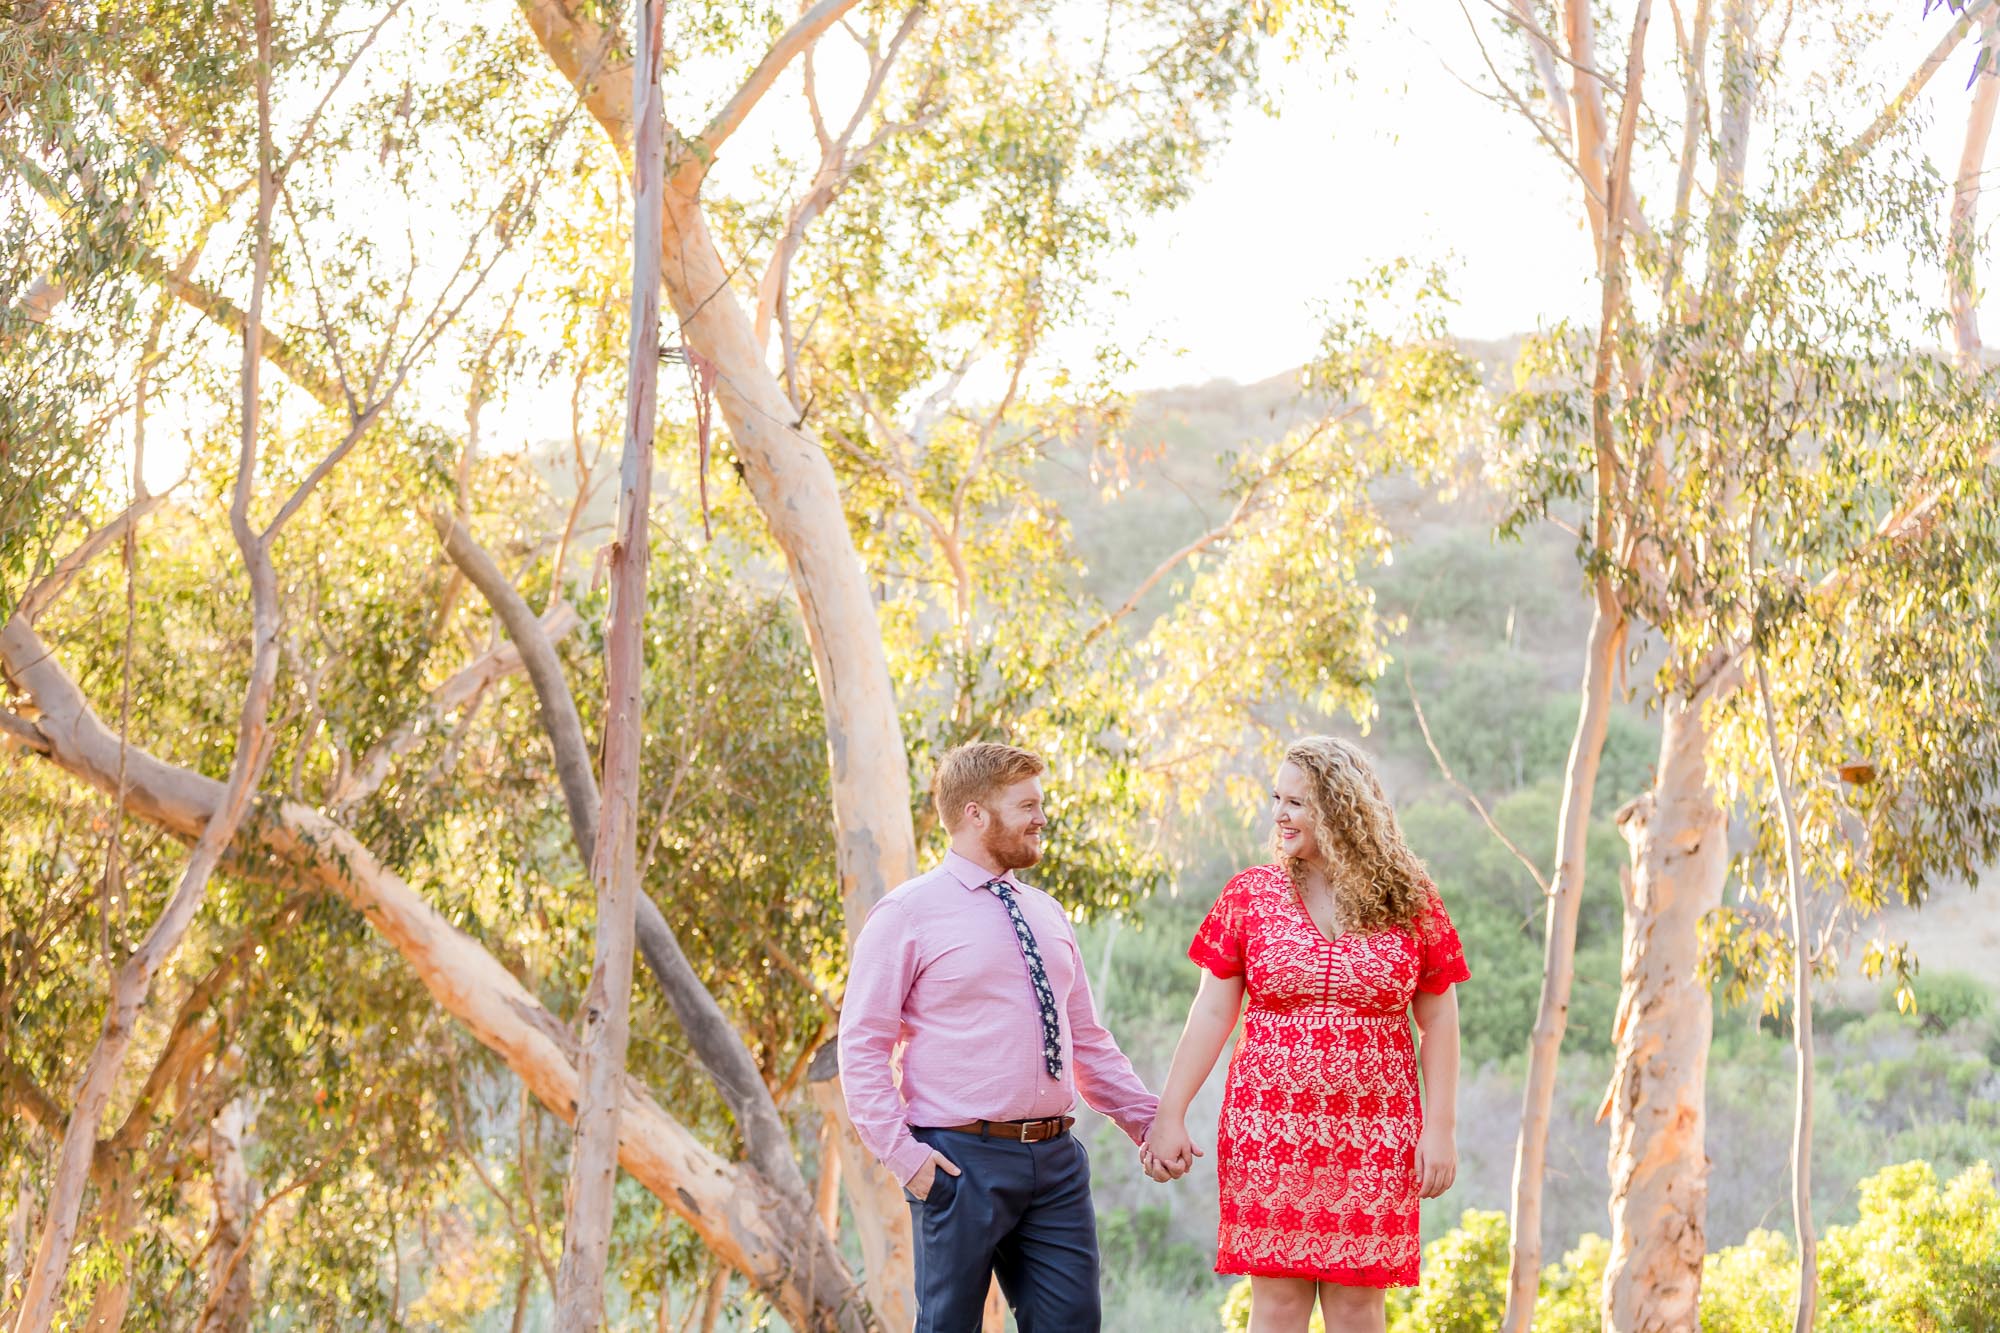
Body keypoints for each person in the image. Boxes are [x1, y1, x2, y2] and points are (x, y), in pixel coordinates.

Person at [1142, 736, 1468, 1333]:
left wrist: (1440, 1128)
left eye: (1297, 802)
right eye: (1277, 799)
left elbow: (1440, 1017)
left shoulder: (1409, 898)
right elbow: (1212, 1013)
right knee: (1279, 1305)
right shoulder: (1250, 895)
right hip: (1271, 1130)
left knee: (1357, 1306)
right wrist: (1170, 1112)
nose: (1279, 815)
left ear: (1341, 810)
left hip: (1376, 1137)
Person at [839, 742, 1158, 1332]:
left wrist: (1148, 1120)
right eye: (1027, 805)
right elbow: (860, 1047)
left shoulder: (1047, 912)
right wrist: (907, 1159)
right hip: (959, 1165)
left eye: (1041, 803)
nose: (1042, 818)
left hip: (1057, 1162)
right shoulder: (905, 914)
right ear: (975, 814)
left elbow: (1085, 1039)